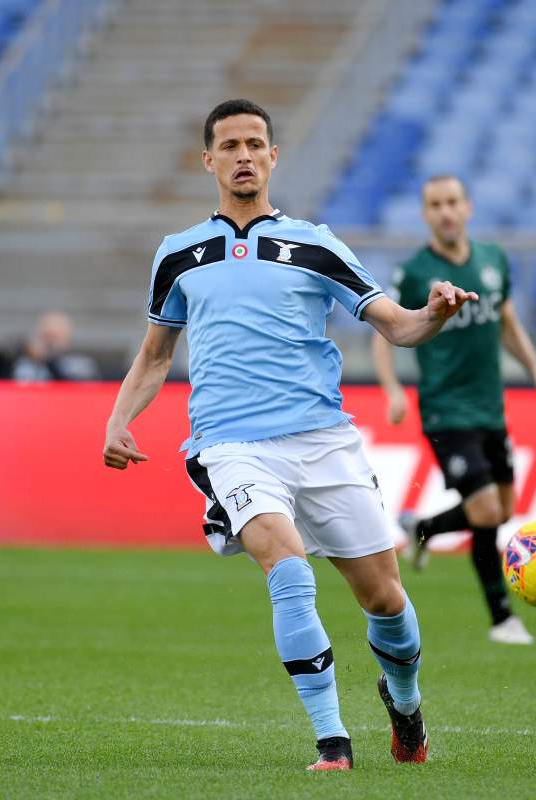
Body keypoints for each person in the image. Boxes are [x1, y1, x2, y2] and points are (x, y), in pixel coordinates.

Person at [103, 99, 478, 771]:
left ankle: (405, 703)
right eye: (230, 145)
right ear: (208, 160)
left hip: (322, 440)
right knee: (289, 572)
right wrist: (118, 419)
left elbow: (398, 325)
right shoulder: (178, 254)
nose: (244, 155)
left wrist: (436, 312)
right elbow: (156, 354)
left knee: (385, 599)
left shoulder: (315, 244)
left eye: (255, 144)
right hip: (231, 446)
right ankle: (333, 743)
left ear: (273, 157)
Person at [372, 174, 536, 646]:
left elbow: (507, 323)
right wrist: (393, 389)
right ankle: (502, 618)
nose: (445, 211)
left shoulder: (493, 259)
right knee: (484, 510)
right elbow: (385, 330)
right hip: (445, 409)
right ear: (425, 214)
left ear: (467, 207)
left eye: (452, 202)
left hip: (489, 407)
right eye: (435, 204)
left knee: (503, 509)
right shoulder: (415, 272)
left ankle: (423, 527)